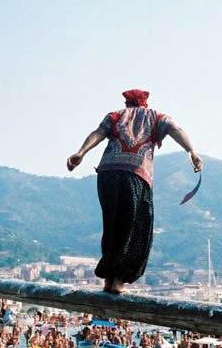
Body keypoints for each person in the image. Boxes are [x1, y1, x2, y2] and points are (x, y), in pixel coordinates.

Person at [67, 89, 202, 294]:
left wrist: (81, 152)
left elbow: (98, 133)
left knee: (112, 225)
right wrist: (192, 151)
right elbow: (176, 129)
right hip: (135, 175)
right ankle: (119, 281)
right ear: (144, 103)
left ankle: (109, 279)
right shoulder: (156, 117)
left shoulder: (115, 116)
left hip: (108, 174)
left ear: (127, 103)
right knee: (134, 227)